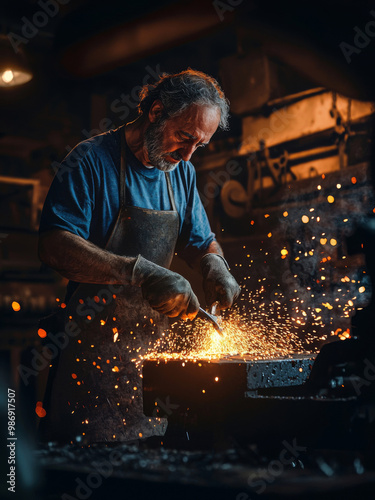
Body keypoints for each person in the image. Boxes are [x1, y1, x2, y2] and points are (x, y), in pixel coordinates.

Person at [38, 69, 240, 443]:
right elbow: (53, 245)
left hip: (150, 361)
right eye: (183, 137)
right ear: (156, 111)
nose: (188, 154)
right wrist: (138, 272)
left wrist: (215, 263)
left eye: (200, 145)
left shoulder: (182, 174)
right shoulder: (90, 160)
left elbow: (203, 241)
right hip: (89, 354)